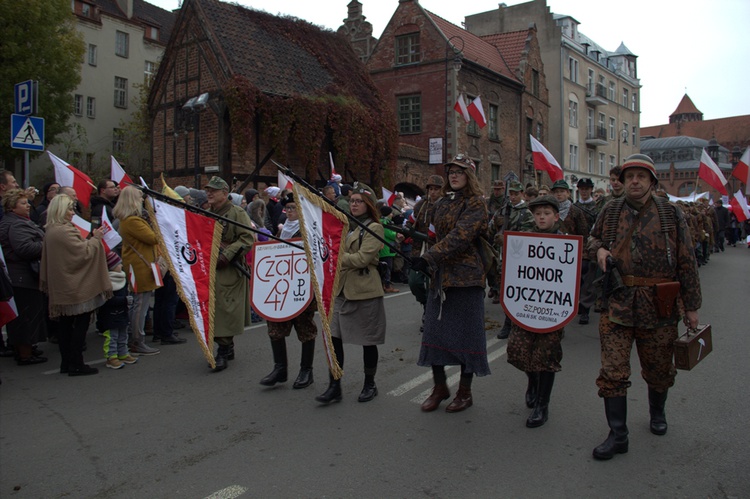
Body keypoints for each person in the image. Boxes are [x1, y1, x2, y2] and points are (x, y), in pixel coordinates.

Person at [587, 154, 701, 460]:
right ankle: (618, 435)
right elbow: (593, 239)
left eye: (641, 176)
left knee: (659, 370)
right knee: (612, 371)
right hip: (618, 303)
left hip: (659, 306)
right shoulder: (610, 210)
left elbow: (687, 260)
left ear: (652, 181)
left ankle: (657, 413)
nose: (634, 181)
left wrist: (691, 307)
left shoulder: (670, 213)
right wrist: (598, 251)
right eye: (629, 177)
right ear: (623, 182)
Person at [411, 155, 490, 413]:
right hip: (441, 277)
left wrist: (430, 256)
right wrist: (418, 253)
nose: (454, 176)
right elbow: (433, 234)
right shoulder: (442, 203)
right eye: (451, 172)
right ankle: (439, 386)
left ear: (470, 175)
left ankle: (465, 392)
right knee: (435, 333)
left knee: (467, 337)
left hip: (467, 279)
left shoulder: (477, 204)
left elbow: (460, 236)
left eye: (459, 172)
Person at [315, 182, 386, 404]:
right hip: (341, 290)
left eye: (359, 201)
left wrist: (334, 259)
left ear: (369, 204)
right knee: (334, 339)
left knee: (368, 340)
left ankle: (369, 383)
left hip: (364, 290)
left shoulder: (374, 228)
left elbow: (363, 259)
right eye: (352, 201)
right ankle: (334, 385)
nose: (354, 205)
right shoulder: (346, 226)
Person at [506, 196, 564, 428]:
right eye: (537, 213)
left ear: (556, 216)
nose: (541, 217)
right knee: (518, 351)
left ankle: (542, 405)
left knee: (547, 356)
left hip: (551, 308)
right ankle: (532, 380)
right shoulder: (524, 241)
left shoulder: (564, 242)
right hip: (526, 306)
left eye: (546, 213)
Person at [41, 194, 112, 376]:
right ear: (61, 210)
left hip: (63, 285)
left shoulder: (51, 229)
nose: (73, 213)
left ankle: (67, 362)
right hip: (74, 286)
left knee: (65, 325)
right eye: (70, 209)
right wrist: (96, 238)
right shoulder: (64, 231)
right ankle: (76, 363)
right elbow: (83, 254)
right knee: (80, 324)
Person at [259, 193, 317, 389]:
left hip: (302, 286)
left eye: (294, 208)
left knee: (305, 327)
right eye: (288, 208)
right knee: (275, 325)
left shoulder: (309, 229)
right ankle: (280, 368)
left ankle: (306, 370)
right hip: (281, 287)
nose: (290, 212)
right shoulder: (282, 231)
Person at [205, 176, 254, 372]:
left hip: (229, 268)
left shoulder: (237, 213)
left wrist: (227, 254)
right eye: (208, 190)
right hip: (209, 267)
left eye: (213, 191)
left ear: (225, 194)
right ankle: (226, 345)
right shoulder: (206, 213)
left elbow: (247, 238)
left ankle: (223, 349)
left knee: (226, 309)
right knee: (213, 308)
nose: (209, 193)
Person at [0, 189, 47, 364]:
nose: (28, 206)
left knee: (24, 316)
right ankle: (25, 353)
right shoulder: (16, 224)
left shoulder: (13, 221)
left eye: (27, 202)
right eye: (23, 203)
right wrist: (45, 242)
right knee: (27, 317)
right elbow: (25, 249)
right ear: (12, 207)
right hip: (22, 277)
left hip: (20, 276)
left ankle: (25, 348)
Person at [114, 186, 161, 357]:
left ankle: (136, 337)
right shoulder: (132, 221)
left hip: (139, 264)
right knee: (140, 305)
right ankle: (137, 340)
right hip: (139, 266)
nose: (142, 200)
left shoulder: (130, 219)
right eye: (140, 197)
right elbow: (154, 237)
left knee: (140, 304)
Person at [491, 180, 533, 335]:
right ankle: (508, 322)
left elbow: (529, 235)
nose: (513, 197)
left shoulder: (526, 213)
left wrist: (508, 238)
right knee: (505, 291)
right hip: (503, 257)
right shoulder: (502, 210)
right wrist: (495, 228)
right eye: (511, 194)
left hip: (519, 258)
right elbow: (491, 228)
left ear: (522, 194)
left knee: (518, 291)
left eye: (516, 194)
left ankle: (515, 322)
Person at [406, 175, 443, 331]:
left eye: (436, 189)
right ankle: (426, 305)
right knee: (414, 282)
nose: (432, 192)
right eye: (430, 189)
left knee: (434, 285)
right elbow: (410, 222)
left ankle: (432, 314)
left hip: (438, 250)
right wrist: (405, 232)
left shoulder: (445, 206)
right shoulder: (421, 205)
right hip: (419, 250)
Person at [99, 251, 138, 369]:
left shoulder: (122, 277)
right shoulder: (106, 282)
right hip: (110, 315)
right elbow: (108, 301)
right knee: (112, 337)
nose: (121, 266)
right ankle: (111, 357)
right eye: (118, 264)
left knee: (123, 335)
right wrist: (125, 300)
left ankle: (123, 353)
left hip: (122, 313)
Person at [574, 177, 604, 325]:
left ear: (591, 190)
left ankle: (585, 309)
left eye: (586, 189)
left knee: (588, 280)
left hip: (590, 247)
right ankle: (578, 304)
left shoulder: (597, 208)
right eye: (581, 189)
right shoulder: (574, 207)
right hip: (576, 247)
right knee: (577, 279)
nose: (584, 192)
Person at [378, 205, 401, 293]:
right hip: (387, 248)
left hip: (385, 248)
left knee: (384, 267)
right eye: (391, 213)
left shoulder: (381, 221)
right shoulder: (385, 222)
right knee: (387, 268)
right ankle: (387, 285)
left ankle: (384, 284)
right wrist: (396, 234)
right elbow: (389, 233)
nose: (392, 215)